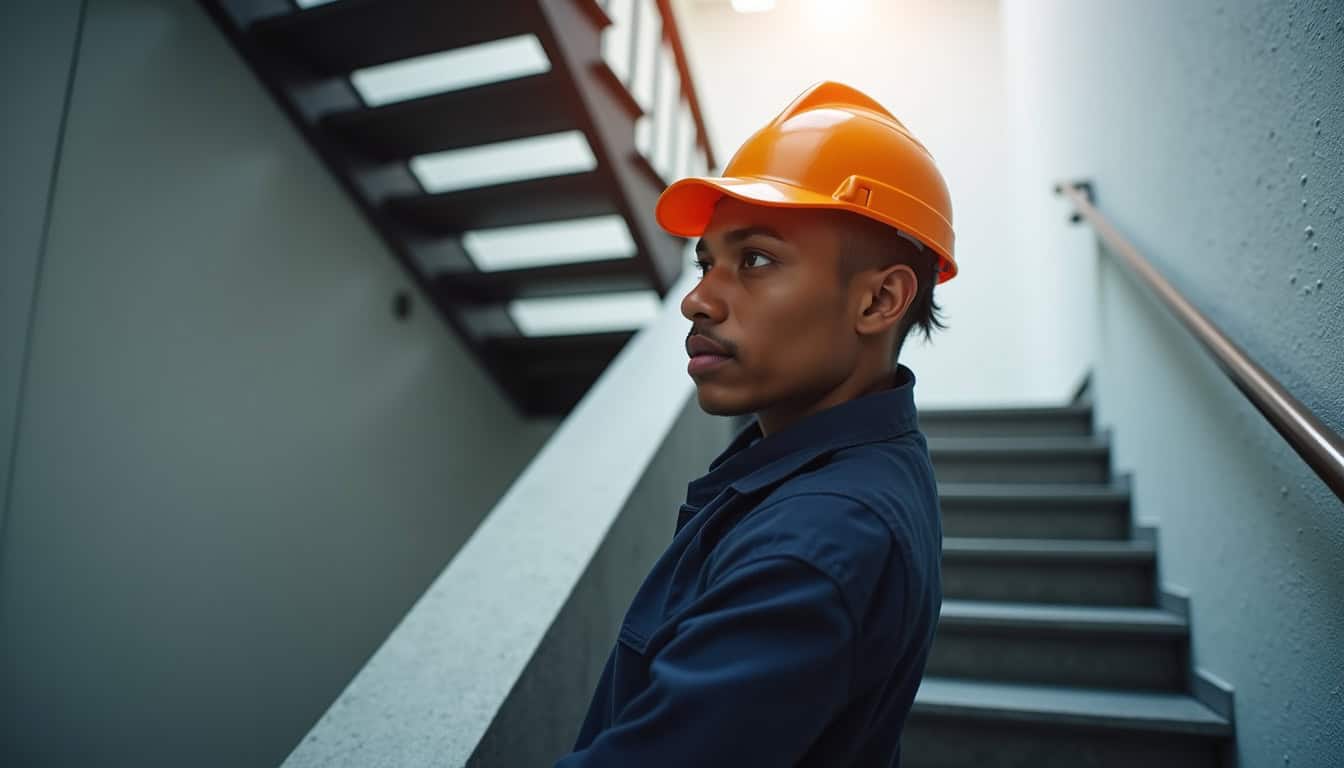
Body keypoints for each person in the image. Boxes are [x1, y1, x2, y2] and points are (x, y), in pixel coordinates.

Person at [555, 80, 958, 767]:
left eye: (757, 260)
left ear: (881, 299)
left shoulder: (813, 546)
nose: (696, 301)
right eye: (707, 262)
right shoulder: (827, 473)